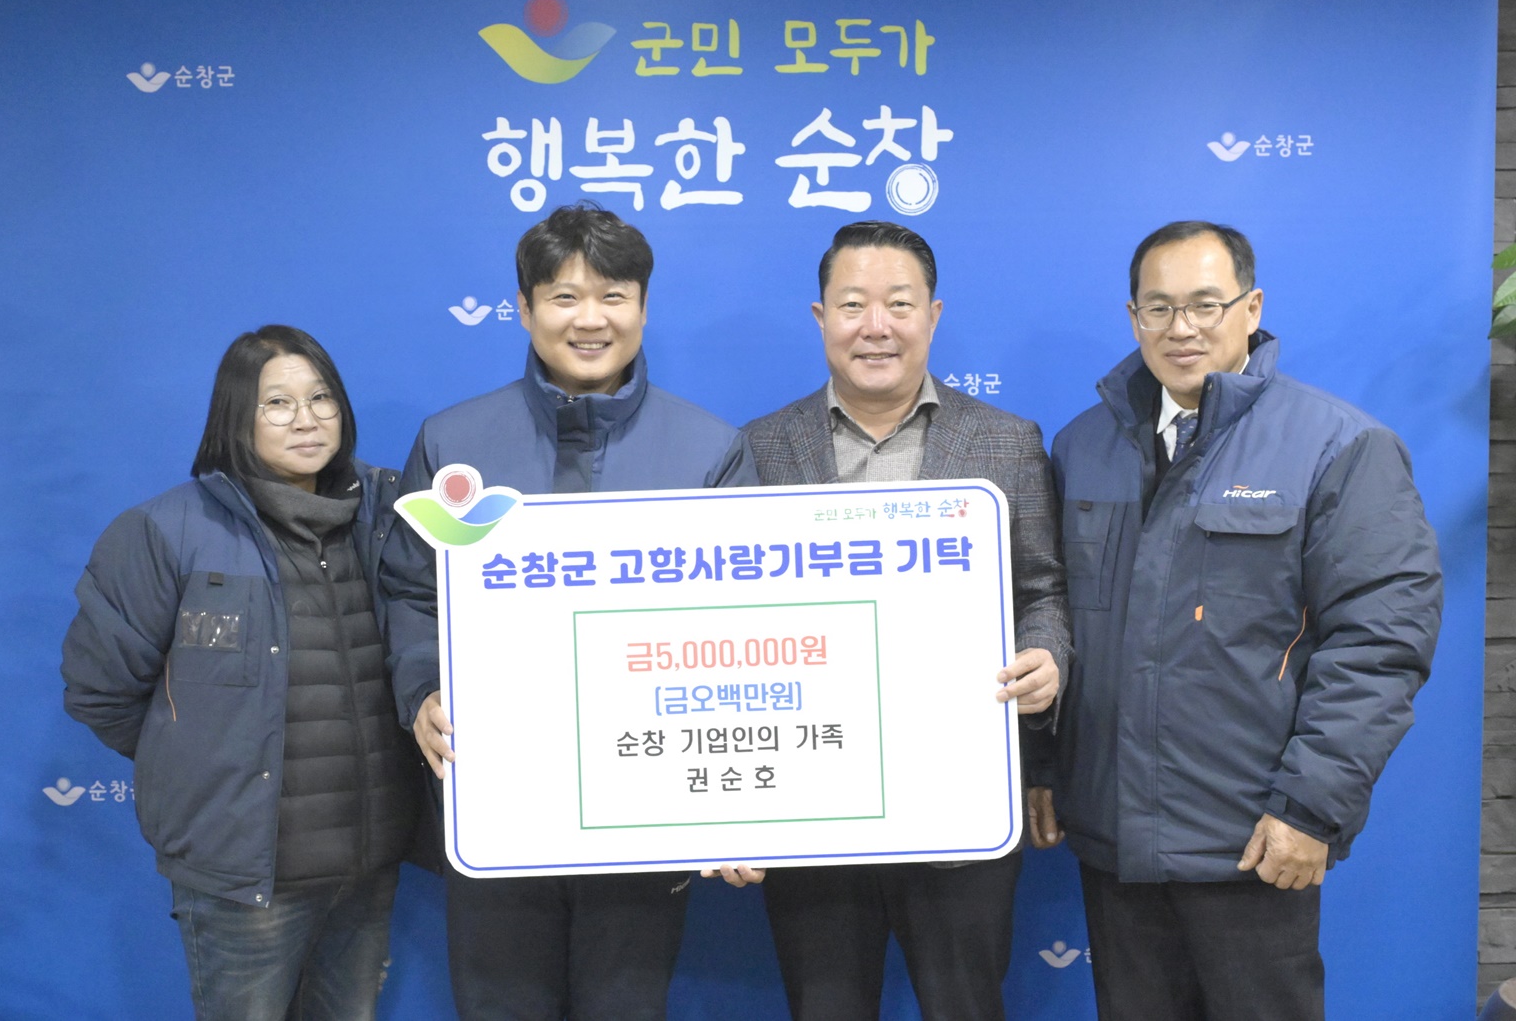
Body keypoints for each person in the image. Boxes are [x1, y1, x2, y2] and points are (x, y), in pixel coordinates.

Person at [1046, 221, 1443, 1020]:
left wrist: (1310, 810)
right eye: (1159, 307)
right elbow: (1056, 623)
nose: (1181, 328)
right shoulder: (1083, 445)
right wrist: (1046, 769)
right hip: (1115, 844)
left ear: (1251, 307)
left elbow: (1379, 645)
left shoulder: (1338, 445)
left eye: (1205, 304)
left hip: (1254, 844)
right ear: (1132, 316)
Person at [380, 201, 758, 1021]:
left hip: (648, 807)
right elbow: (411, 591)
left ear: (644, 307)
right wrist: (423, 689)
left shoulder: (711, 450)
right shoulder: (452, 442)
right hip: (496, 795)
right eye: (564, 296)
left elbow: (744, 628)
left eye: (613, 295)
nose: (591, 319)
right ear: (523, 308)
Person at [741, 220, 1069, 1021]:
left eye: (899, 303)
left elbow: (1042, 591)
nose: (876, 326)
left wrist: (1047, 656)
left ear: (933, 314)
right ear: (821, 317)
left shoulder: (1006, 441)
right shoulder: (758, 448)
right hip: (811, 805)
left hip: (959, 797)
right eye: (853, 304)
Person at [61, 325, 421, 1020]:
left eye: (321, 398)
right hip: (245, 882)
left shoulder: (384, 517)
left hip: (367, 865)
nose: (306, 419)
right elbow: (101, 693)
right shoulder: (166, 531)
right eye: (277, 403)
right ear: (236, 417)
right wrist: (199, 758)